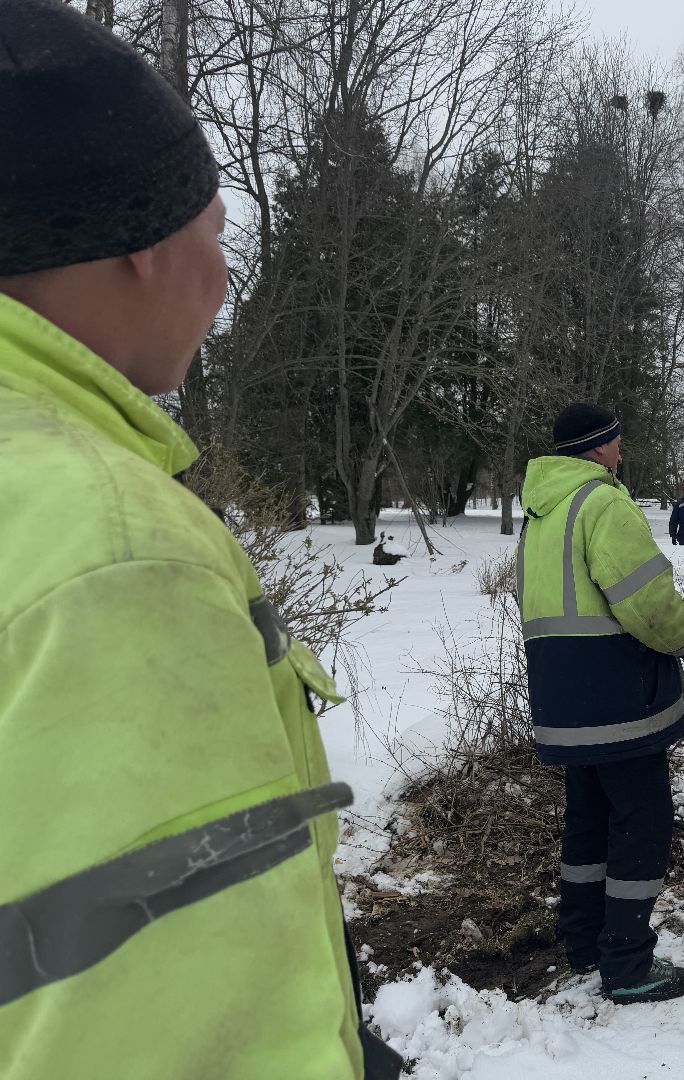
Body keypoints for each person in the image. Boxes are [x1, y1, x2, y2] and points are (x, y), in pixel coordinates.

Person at [0, 4, 399, 1077]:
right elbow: (179, 1037)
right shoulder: (115, 551)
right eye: (217, 234)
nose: (224, 277)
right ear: (137, 243)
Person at [518, 402, 684, 1004]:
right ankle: (628, 964)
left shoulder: (542, 513)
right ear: (598, 448)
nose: (621, 452)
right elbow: (646, 602)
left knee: (588, 821)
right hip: (619, 701)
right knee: (641, 822)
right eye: (617, 443)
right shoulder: (602, 503)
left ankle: (583, 943)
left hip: (561, 699)